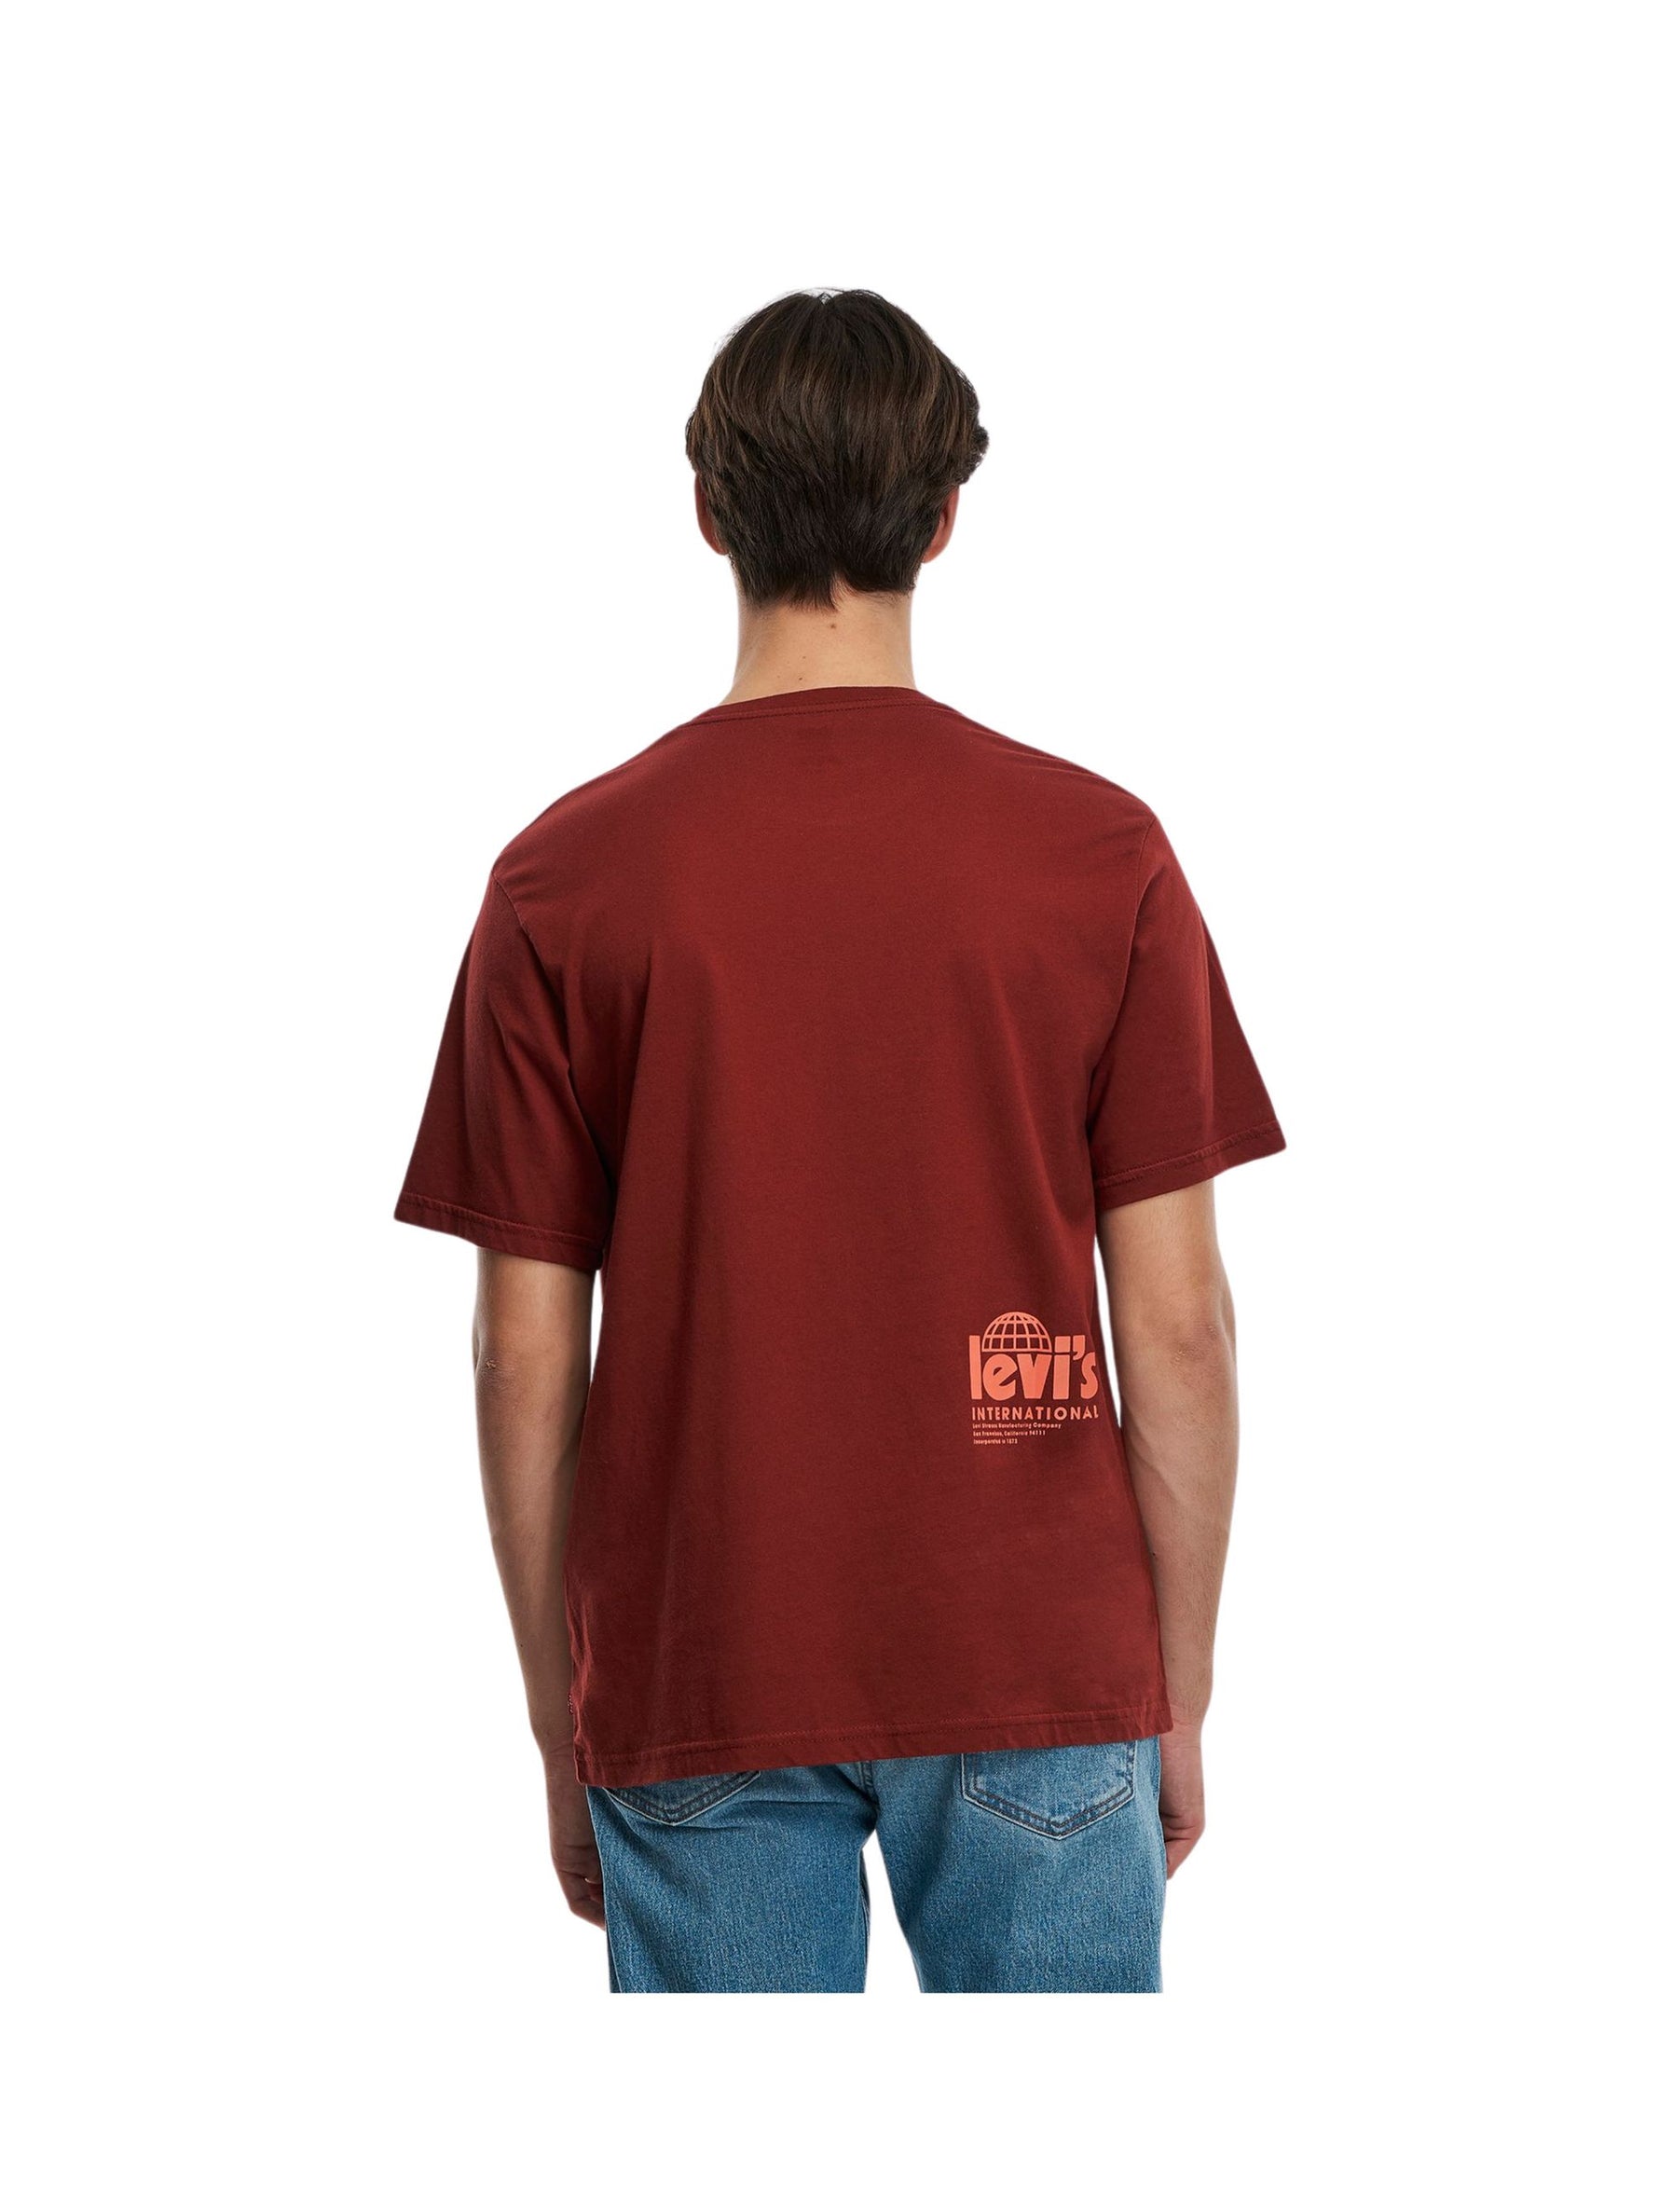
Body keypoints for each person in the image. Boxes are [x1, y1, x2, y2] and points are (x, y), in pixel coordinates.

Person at [394, 289, 1284, 1993]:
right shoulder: (1102, 856)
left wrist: (563, 1722)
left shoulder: (563, 881)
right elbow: (1178, 1325)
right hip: (1035, 1652)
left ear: (708, 512)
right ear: (943, 522)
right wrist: (1171, 1687)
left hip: (702, 1657)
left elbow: (523, 1352)